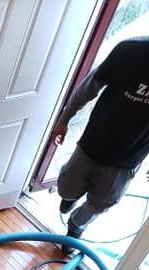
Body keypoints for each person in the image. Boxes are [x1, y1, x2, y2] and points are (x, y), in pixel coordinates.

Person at [52, 37, 149, 251]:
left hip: (129, 156)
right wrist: (63, 120)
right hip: (94, 141)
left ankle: (75, 229)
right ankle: (70, 198)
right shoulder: (129, 51)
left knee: (102, 202)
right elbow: (88, 87)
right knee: (67, 187)